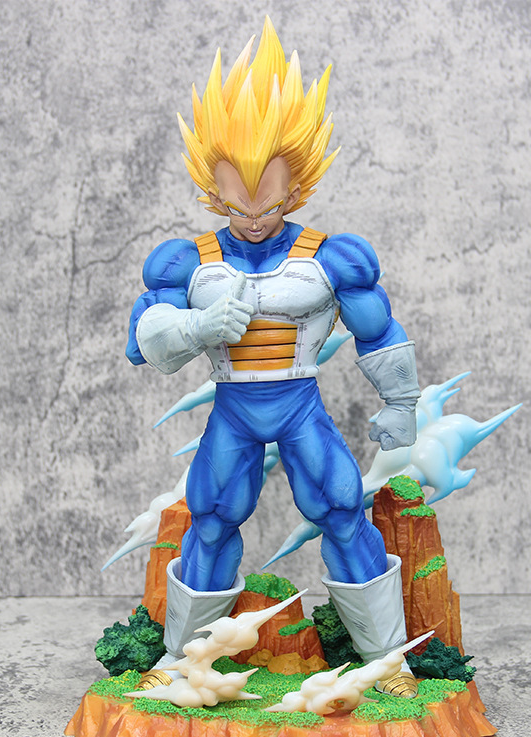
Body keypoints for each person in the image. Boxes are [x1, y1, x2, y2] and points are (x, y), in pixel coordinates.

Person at [126, 18, 421, 697]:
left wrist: (402, 402)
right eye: (238, 202)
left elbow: (378, 329)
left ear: (297, 186)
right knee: (211, 520)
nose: (255, 216)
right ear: (213, 188)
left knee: (341, 510)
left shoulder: (333, 256)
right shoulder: (185, 262)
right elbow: (142, 342)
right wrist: (199, 325)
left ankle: (387, 662)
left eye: (270, 200)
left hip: (298, 405)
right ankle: (181, 662)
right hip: (235, 409)